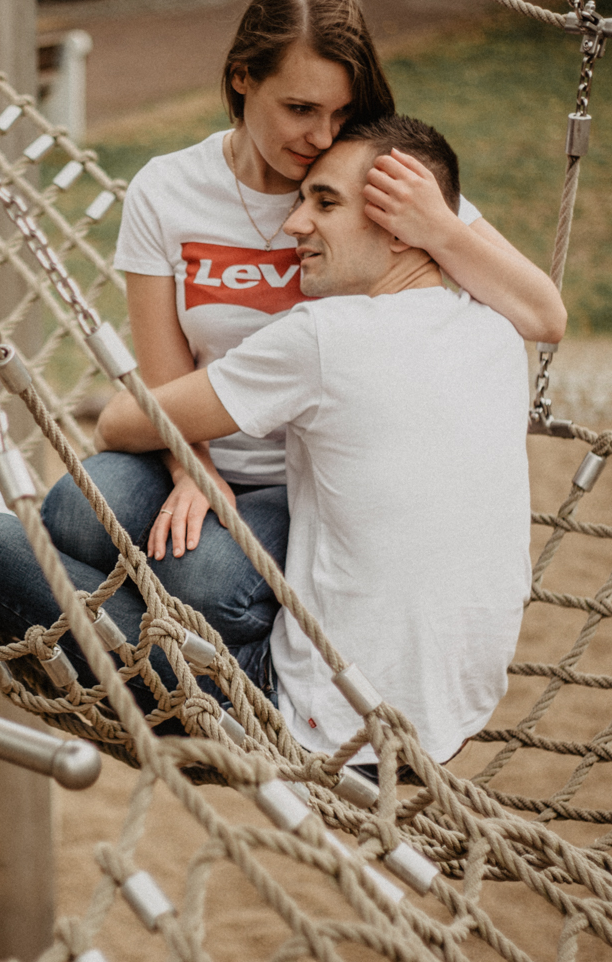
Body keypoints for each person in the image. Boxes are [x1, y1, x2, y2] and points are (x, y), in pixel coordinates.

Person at [0, 0, 560, 685]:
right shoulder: (166, 191)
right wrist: (192, 472)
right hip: (197, 447)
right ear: (242, 80)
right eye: (299, 108)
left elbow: (543, 315)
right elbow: (164, 385)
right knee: (76, 510)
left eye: (341, 111)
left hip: (317, 484)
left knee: (204, 575)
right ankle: (166, 633)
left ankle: (226, 654)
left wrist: (440, 226)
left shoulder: (366, 179)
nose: (321, 136)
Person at [89, 116, 530, 763]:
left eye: (324, 203)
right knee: (102, 511)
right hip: (454, 709)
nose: (294, 224)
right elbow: (547, 311)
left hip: (317, 715)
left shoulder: (325, 336)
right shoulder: (499, 329)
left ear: (403, 226)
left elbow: (120, 422)